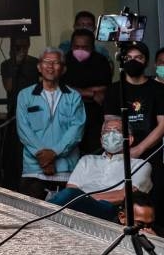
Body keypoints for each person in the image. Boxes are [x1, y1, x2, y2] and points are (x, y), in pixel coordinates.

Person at [46, 117, 152, 221]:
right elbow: (71, 188)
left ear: (129, 139)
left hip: (110, 210)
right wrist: (80, 199)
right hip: (77, 207)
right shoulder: (87, 160)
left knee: (68, 195)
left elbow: (124, 196)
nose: (111, 135)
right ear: (101, 140)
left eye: (117, 131)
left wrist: (83, 198)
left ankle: (42, 214)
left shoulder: (141, 165)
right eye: (106, 131)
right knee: (67, 194)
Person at [16, 48, 86, 200]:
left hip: (66, 169)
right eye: (46, 62)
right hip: (34, 170)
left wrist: (53, 153)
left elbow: (76, 129)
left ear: (63, 68)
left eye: (55, 63)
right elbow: (24, 130)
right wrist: (43, 158)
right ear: (39, 67)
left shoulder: (73, 96)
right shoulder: (25, 95)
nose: (50, 66)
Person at [104, 40, 164, 214]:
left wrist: (139, 148)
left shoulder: (157, 89)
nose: (133, 61)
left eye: (138, 58)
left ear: (145, 61)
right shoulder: (115, 90)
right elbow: (111, 123)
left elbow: (162, 124)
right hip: (122, 153)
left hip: (153, 153)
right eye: (128, 57)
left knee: (156, 197)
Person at [62, 28, 113, 154]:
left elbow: (103, 89)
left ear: (92, 47)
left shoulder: (101, 61)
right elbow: (61, 88)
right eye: (76, 46)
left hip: (94, 116)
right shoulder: (63, 61)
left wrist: (75, 90)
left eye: (84, 47)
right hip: (68, 114)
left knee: (95, 152)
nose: (80, 50)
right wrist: (91, 93)